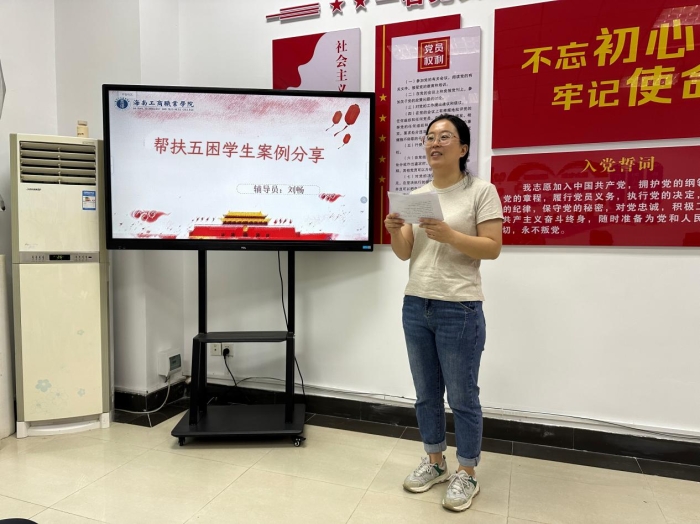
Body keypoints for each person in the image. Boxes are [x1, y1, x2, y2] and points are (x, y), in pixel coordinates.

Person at [384, 114, 503, 512]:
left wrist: (451, 235)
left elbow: (492, 247)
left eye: (445, 136)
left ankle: (467, 471)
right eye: (430, 137)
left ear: (463, 148)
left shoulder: (481, 191)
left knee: (463, 396)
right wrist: (394, 229)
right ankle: (435, 462)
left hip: (460, 306)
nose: (435, 143)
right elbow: (405, 253)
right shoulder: (418, 195)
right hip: (416, 303)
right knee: (426, 394)